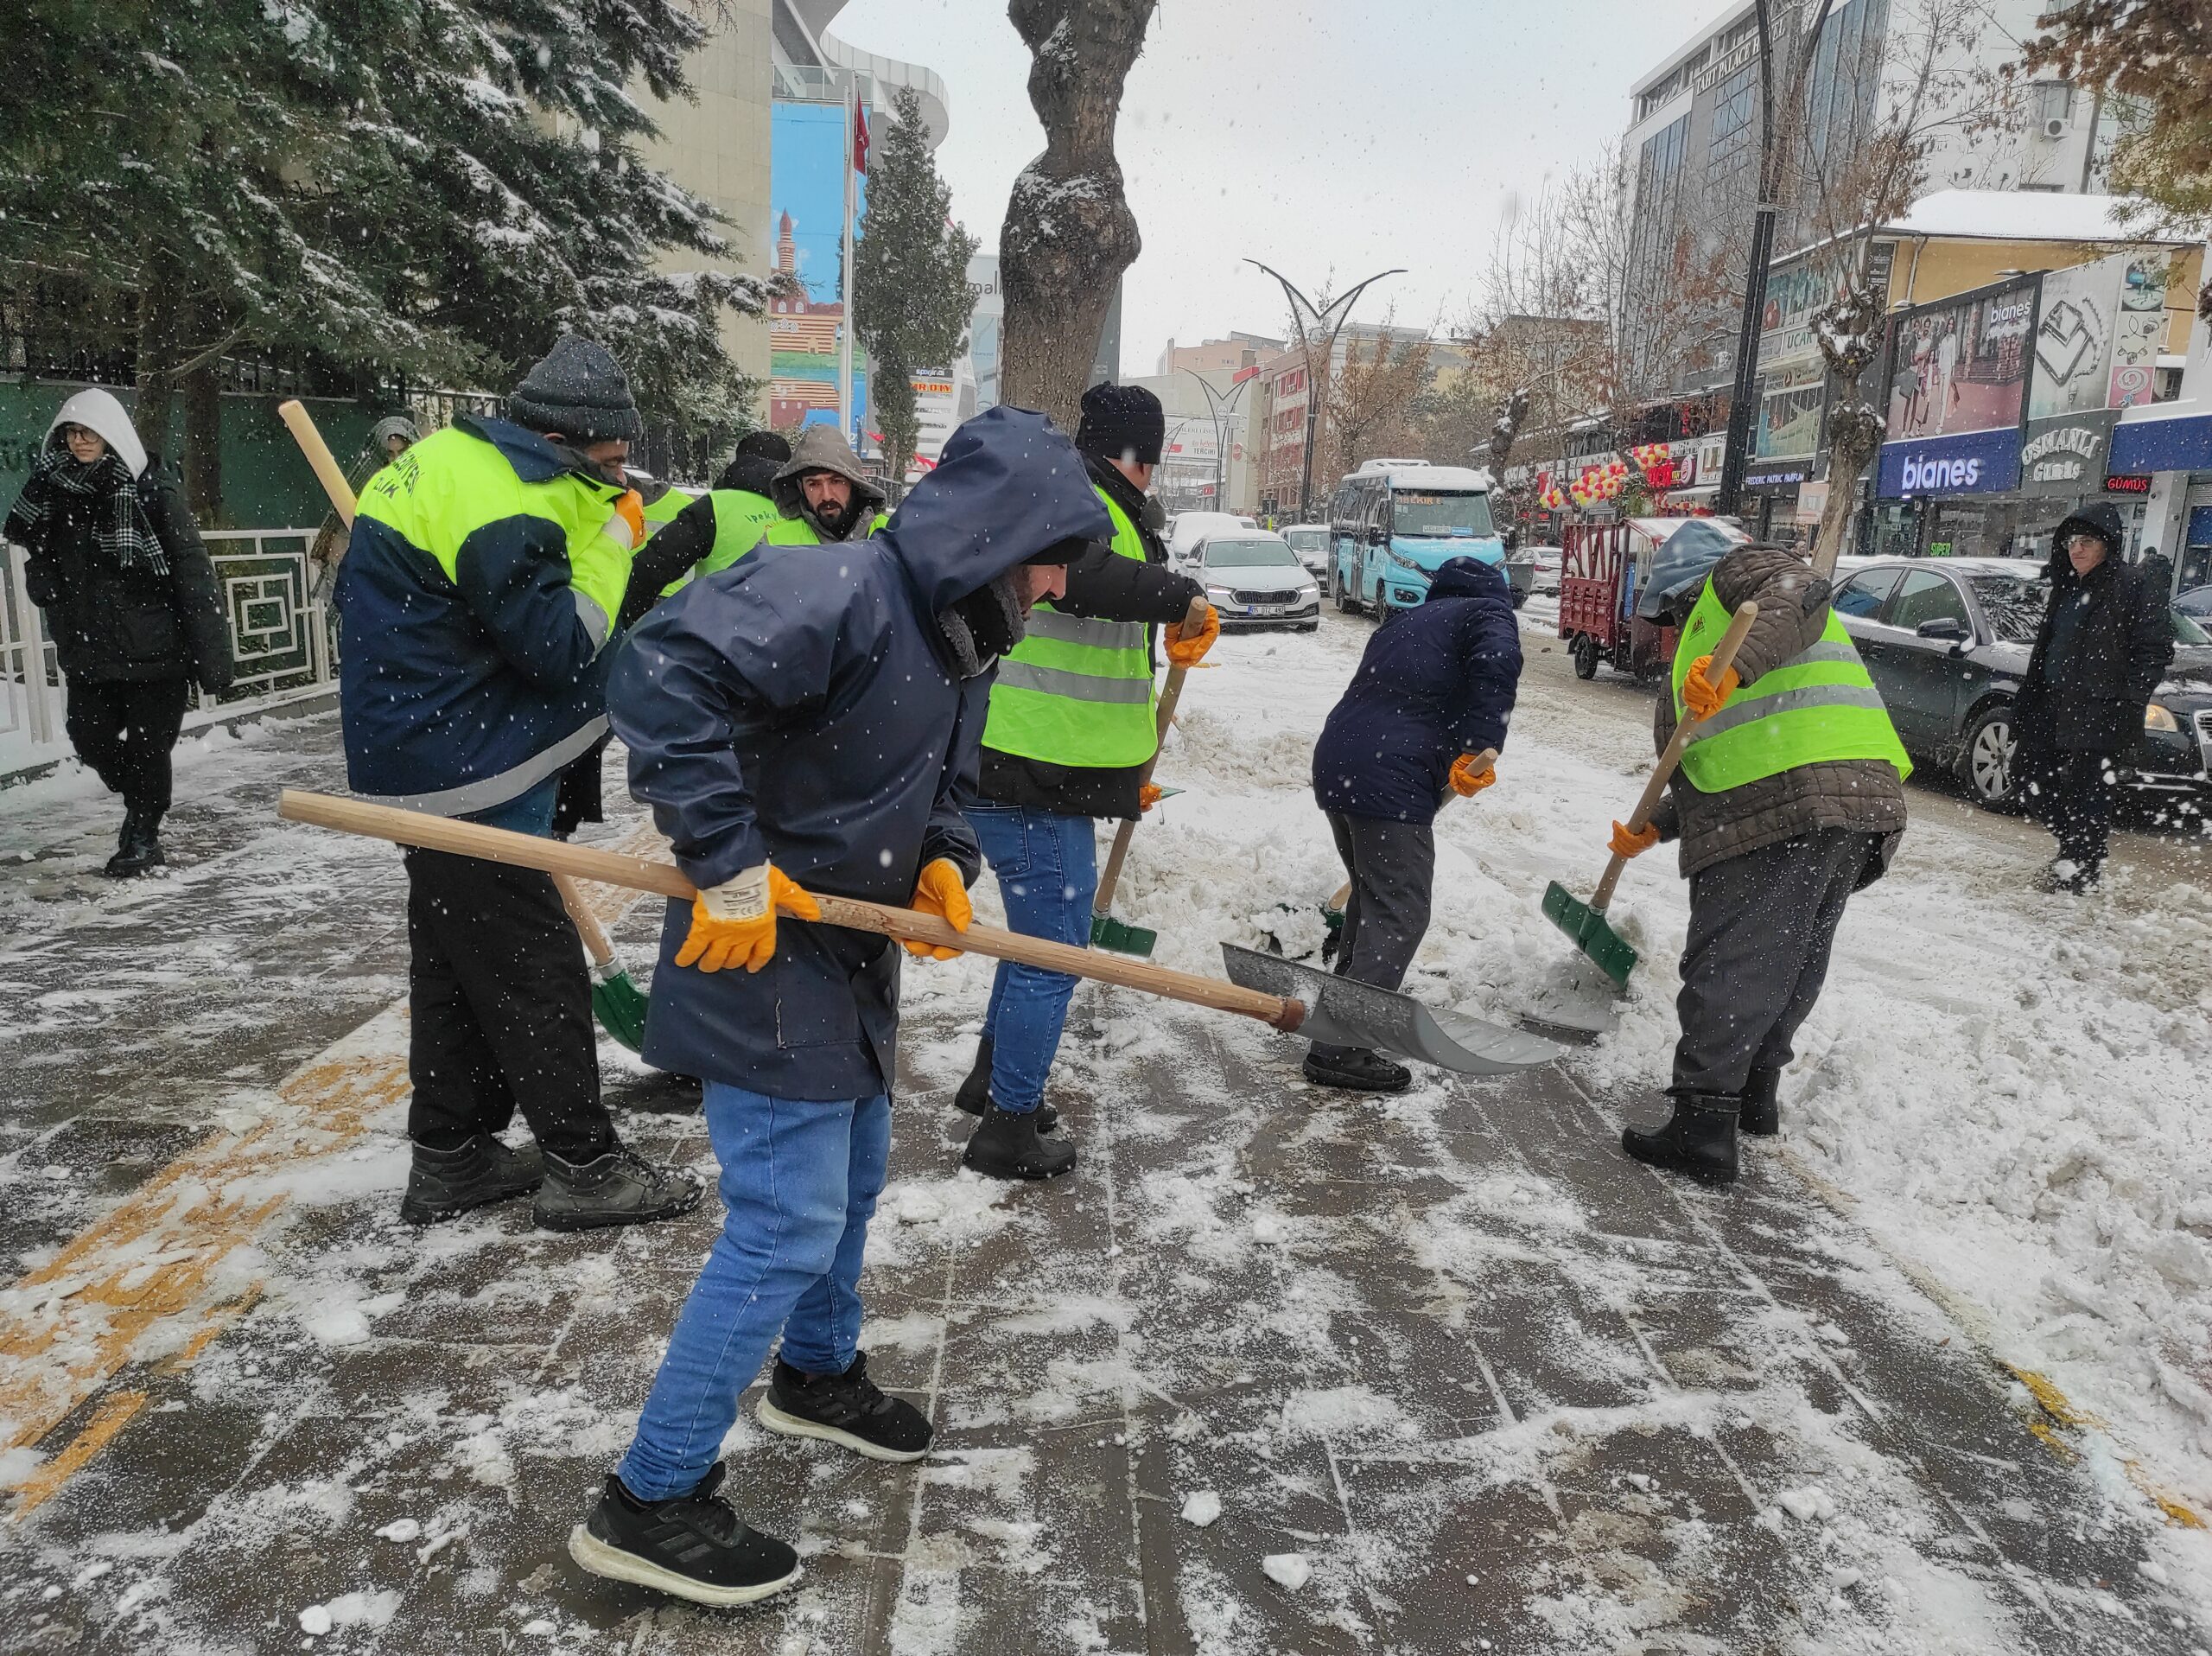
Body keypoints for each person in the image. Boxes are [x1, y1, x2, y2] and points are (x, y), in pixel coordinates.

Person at [569, 406, 1109, 1608]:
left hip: (847, 956)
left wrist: (947, 860)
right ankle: (649, 1499)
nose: (1062, 580)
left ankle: (815, 1376)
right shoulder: (845, 589)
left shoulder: (966, 633)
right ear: (996, 534)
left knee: (854, 1182)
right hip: (757, 945)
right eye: (1052, 552)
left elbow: (946, 784)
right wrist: (724, 858)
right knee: (780, 1225)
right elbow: (660, 672)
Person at [336, 335, 700, 1230]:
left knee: (457, 963)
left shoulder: (455, 461)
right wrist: (617, 535)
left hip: (425, 752)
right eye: (610, 466)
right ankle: (584, 1164)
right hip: (464, 766)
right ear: (566, 442)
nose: (619, 482)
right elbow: (560, 646)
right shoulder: (506, 500)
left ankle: (451, 1153)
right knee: (534, 968)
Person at [954, 381, 1218, 1179]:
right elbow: (1087, 576)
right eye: (1153, 456)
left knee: (1035, 936)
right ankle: (1007, 1128)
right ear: (1137, 454)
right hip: (1029, 762)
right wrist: (1182, 597)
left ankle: (993, 1082)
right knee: (1056, 949)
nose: (1154, 474)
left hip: (1049, 760)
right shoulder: (1075, 504)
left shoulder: (1092, 499)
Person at [1611, 543, 1911, 1184]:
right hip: (1852, 796)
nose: (1669, 638)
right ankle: (1753, 1096)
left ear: (1683, 591)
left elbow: (1804, 589)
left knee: (1734, 960)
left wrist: (1734, 666)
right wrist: (1658, 827)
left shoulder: (1739, 575)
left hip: (1790, 800)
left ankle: (1703, 1128)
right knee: (1792, 954)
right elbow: (1730, 751)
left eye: (1668, 619)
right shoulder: (1720, 636)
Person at [1305, 556, 1521, 1093]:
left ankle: (1339, 1023)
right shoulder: (1487, 614)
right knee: (1400, 912)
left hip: (1341, 763)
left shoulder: (1406, 622)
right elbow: (1497, 662)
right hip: (1390, 775)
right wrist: (1480, 744)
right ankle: (1342, 1047)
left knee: (1374, 901)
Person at [4, 388, 233, 876]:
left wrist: (212, 657)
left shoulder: (152, 492)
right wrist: (42, 577)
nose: (80, 440)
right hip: (91, 651)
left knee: (151, 748)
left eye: (89, 431)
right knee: (89, 738)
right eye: (71, 432)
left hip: (156, 652)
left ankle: (143, 836)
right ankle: (145, 798)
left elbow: (193, 573)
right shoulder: (51, 490)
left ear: (112, 435)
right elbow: (40, 552)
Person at [2012, 503, 2173, 892]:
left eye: (2087, 541)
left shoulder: (2132, 586)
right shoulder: (2066, 586)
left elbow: (2155, 650)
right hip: (2051, 702)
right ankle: (2075, 846)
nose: (2077, 549)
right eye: (2071, 541)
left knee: (2090, 791)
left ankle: (2081, 872)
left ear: (2108, 544)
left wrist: (2131, 700)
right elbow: (2049, 645)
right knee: (2026, 772)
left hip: (2101, 708)